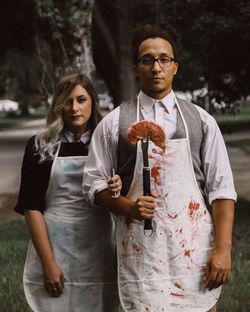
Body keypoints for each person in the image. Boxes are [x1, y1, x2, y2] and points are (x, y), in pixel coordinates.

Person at [82, 23, 236, 312]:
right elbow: (93, 186)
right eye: (147, 60)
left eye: (164, 59)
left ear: (175, 67)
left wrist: (223, 251)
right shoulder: (113, 124)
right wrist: (128, 207)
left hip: (192, 248)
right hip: (141, 251)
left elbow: (222, 189)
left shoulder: (202, 122)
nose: (156, 67)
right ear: (136, 67)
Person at [14, 73, 121, 312]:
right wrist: (49, 264)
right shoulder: (40, 145)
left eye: (81, 99)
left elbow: (123, 199)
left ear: (93, 101)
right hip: (55, 244)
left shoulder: (108, 144)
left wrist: (116, 187)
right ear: (58, 105)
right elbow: (31, 208)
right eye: (68, 101)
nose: (74, 108)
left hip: (98, 246)